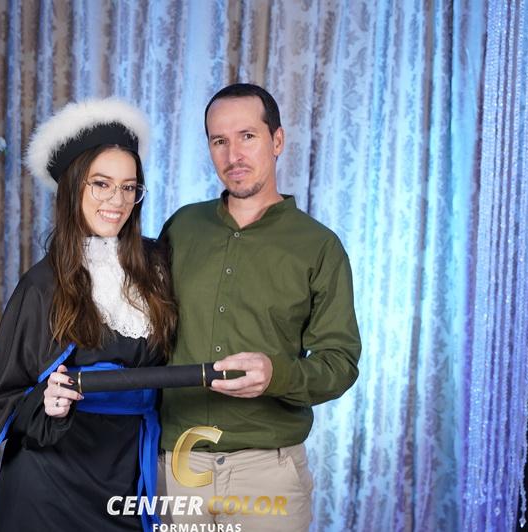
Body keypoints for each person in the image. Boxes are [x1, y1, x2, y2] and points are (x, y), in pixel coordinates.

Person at [157, 83, 362, 531]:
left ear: (277, 140)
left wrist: (277, 375)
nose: (233, 154)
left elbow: (340, 363)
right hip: (177, 470)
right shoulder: (181, 227)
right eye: (219, 140)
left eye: (247, 136)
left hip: (268, 473)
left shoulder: (320, 246)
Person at [0, 98, 177, 532]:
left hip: (127, 472)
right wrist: (46, 402)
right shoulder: (41, 285)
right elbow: (2, 401)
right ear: (73, 188)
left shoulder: (158, 269)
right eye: (101, 184)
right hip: (51, 483)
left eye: (129, 187)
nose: (117, 200)